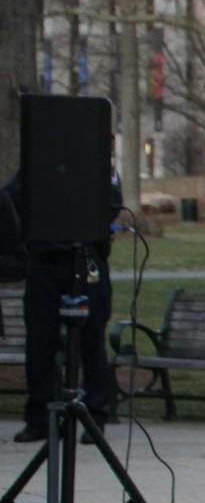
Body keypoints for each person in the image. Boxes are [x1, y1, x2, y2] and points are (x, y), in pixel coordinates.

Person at [3, 169, 123, 443]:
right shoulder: (37, 163)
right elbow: (11, 200)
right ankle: (40, 418)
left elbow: (111, 204)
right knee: (40, 343)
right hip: (44, 261)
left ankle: (95, 415)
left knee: (91, 341)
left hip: (86, 259)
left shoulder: (95, 162)